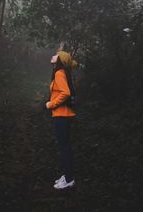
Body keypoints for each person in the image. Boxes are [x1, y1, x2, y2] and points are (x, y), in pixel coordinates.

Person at [46, 50, 77, 190]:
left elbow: (66, 93)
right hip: (64, 115)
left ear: (60, 60)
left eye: (56, 54)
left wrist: (51, 104)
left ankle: (69, 179)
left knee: (64, 147)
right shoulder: (61, 73)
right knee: (66, 146)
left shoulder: (59, 73)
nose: (53, 55)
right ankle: (67, 175)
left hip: (61, 115)